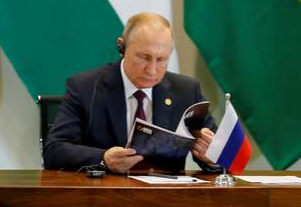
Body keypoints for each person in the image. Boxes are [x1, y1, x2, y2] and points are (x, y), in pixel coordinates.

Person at [43, 12, 217, 173]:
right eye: (144, 57)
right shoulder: (85, 87)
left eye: (161, 59)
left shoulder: (186, 91)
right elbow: (54, 150)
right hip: (102, 196)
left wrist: (212, 156)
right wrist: (103, 159)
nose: (152, 70)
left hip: (166, 198)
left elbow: (221, 156)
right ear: (122, 47)